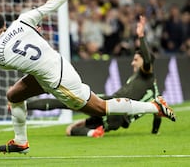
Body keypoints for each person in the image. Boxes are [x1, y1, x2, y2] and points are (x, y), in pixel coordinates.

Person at [0, 0, 176, 154]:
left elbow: (19, 60)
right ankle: (20, 142)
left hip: (59, 81)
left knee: (101, 108)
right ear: (4, 24)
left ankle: (155, 106)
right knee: (14, 95)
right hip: (54, 67)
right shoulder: (23, 21)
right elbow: (52, 3)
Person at [27, 16, 162, 138]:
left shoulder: (147, 75)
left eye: (136, 60)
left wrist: (141, 36)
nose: (133, 62)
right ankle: (92, 132)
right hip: (115, 119)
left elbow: (148, 60)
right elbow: (158, 113)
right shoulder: (153, 90)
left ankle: (25, 105)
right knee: (70, 130)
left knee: (65, 102)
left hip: (112, 105)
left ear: (145, 62)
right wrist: (155, 132)